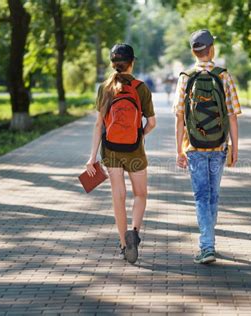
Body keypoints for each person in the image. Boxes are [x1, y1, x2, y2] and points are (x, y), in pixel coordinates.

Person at [173, 29, 241, 264]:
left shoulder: (185, 77)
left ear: (193, 51)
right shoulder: (223, 76)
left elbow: (179, 117)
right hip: (219, 146)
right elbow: (232, 116)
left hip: (193, 147)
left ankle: (207, 246)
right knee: (213, 195)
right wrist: (235, 147)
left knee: (201, 196)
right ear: (212, 49)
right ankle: (209, 243)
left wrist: (178, 150)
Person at [86, 43, 156, 264]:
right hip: (134, 149)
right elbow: (152, 123)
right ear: (132, 62)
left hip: (112, 149)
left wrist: (92, 157)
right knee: (140, 194)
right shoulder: (141, 87)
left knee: (118, 196)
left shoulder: (104, 88)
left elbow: (99, 125)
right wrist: (140, 135)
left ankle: (124, 245)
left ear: (112, 63)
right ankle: (134, 232)